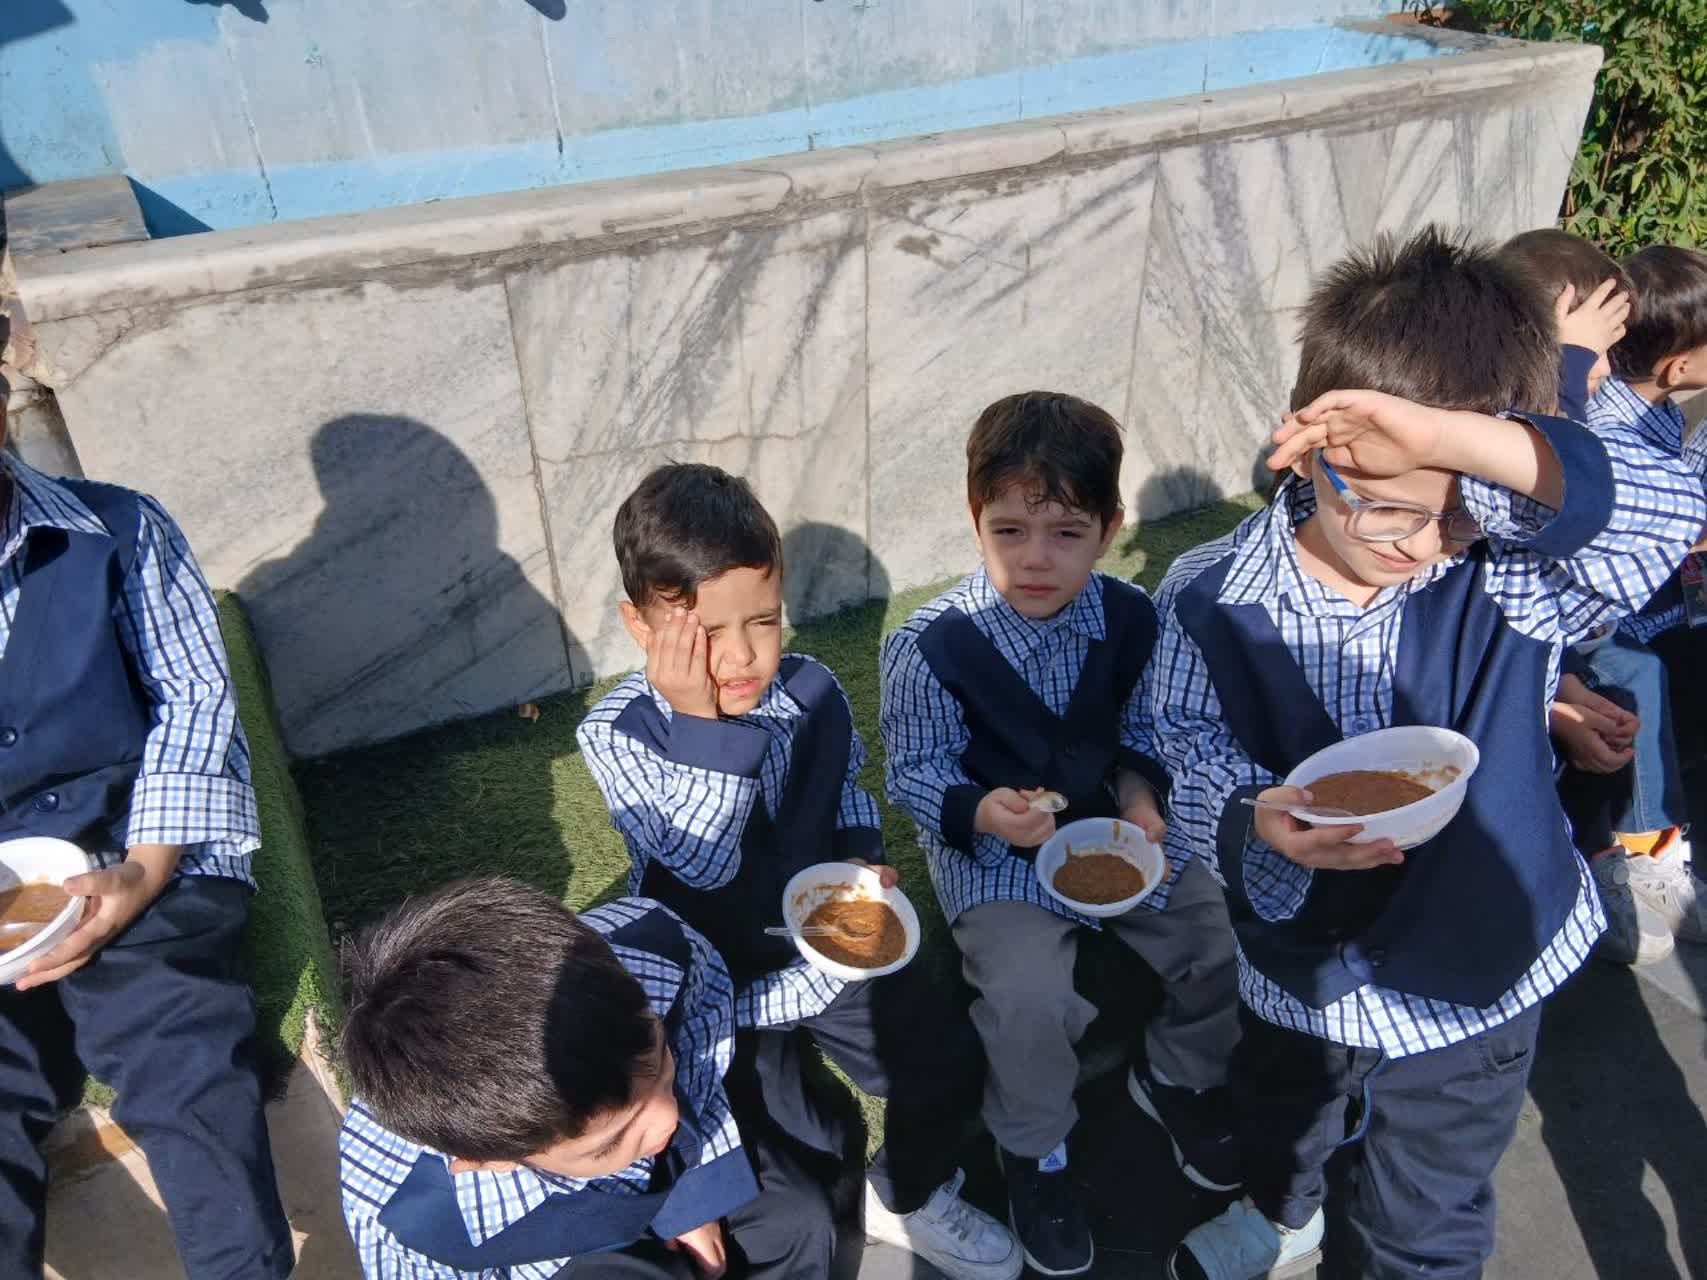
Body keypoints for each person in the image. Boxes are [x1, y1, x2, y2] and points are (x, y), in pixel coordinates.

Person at [1154, 225, 1706, 1280]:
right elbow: (1183, 744)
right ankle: (1283, 1210)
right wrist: (1247, 815)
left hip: (1480, 972)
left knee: (1426, 1219)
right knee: (1288, 1119)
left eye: (1454, 514)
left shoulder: (1507, 570)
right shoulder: (1209, 595)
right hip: (1301, 967)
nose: (1418, 547)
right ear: (1309, 449)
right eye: (1386, 510)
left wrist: (1459, 445)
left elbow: (1660, 510)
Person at [576, 464, 1020, 1280]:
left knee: (949, 1058)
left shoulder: (813, 689)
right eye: (706, 633)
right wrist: (700, 723)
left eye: (764, 620)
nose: (743, 655)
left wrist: (859, 856)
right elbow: (700, 863)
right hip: (715, 985)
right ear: (641, 625)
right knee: (800, 1162)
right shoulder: (617, 733)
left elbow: (846, 786)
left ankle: (909, 1193)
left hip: (828, 947)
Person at [879, 391, 1241, 1278]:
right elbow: (915, 770)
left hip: (1108, 829)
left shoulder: (1132, 617)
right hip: (992, 850)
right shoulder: (927, 644)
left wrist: (1140, 800)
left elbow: (1145, 729)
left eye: (1066, 533)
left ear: (1109, 528)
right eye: (1008, 531)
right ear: (974, 520)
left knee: (1215, 928)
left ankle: (1179, 1075)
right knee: (1026, 993)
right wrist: (982, 810)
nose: (1035, 558)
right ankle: (1034, 1150)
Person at [0, 248, 292, 1278]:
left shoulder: (119, 531)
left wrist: (143, 870)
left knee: (172, 1035)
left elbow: (193, 704)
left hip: (138, 851)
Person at [338, 878, 836, 1278]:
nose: (668, 1120)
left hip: (674, 1175)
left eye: (660, 1060)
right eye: (611, 1140)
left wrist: (693, 1194)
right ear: (486, 1162)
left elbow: (706, 1027)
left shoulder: (654, 947)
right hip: (554, 1259)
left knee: (798, 1220)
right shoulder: (400, 1212)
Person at [1495, 228, 1675, 964]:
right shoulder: (1499, 432)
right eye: (1595, 351)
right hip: (1478, 724)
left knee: (1612, 700)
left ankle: (1604, 858)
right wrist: (1568, 364)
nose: (1606, 372)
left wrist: (1561, 691)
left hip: (1534, 668)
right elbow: (1558, 484)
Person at [1575, 244, 1707, 948]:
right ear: (1677, 368)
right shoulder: (1605, 430)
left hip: (1646, 594)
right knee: (1639, 673)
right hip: (1589, 622)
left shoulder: (1655, 410)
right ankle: (1642, 856)